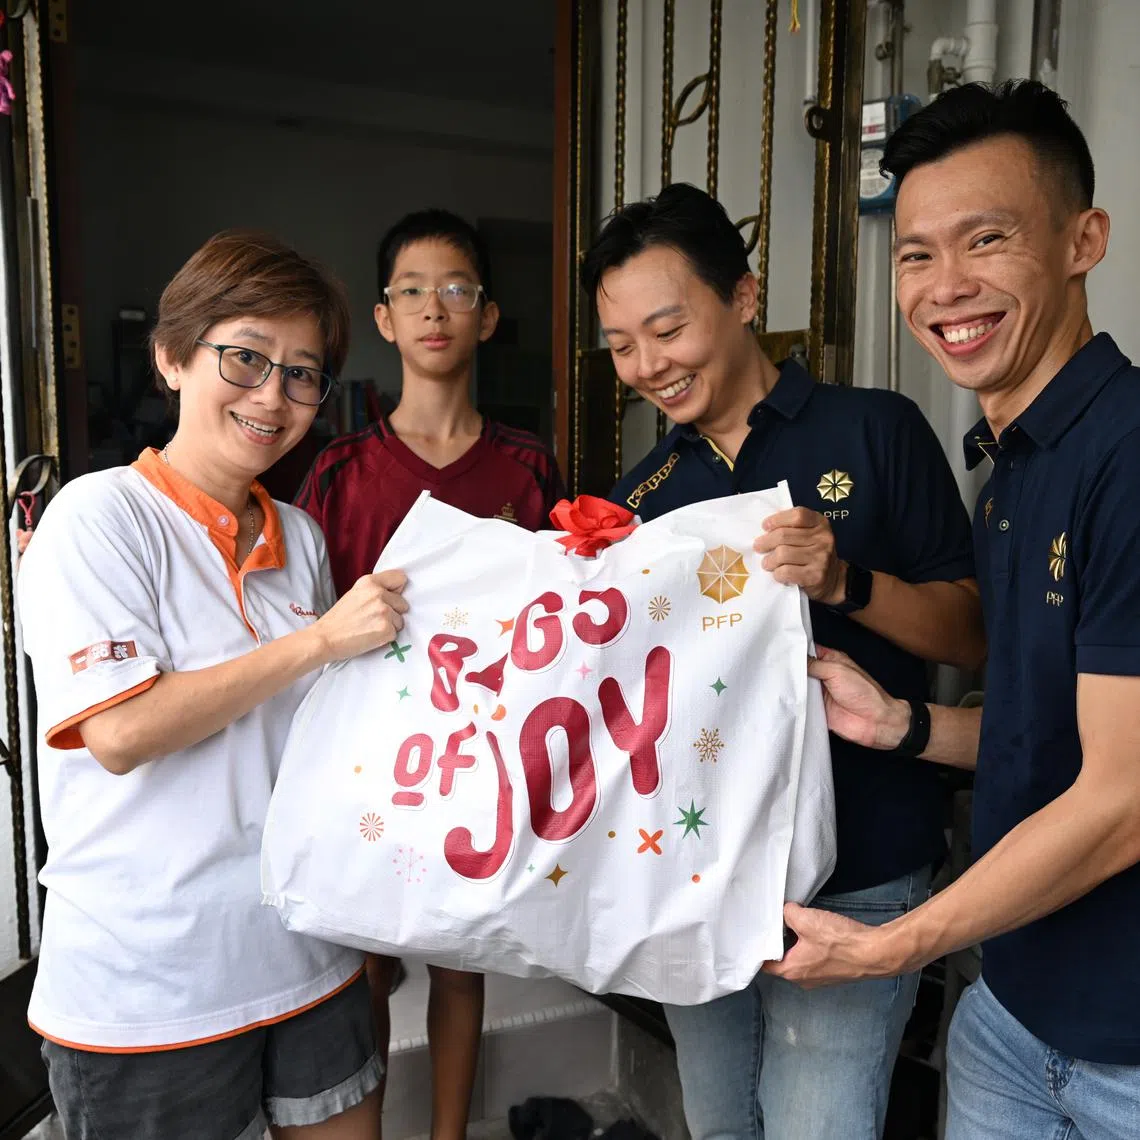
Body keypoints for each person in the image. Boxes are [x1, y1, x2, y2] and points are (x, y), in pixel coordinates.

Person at [768, 80, 1140, 1140]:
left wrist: (893, 945)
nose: (947, 287)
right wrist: (904, 724)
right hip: (1012, 1014)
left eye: (987, 240)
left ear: (1083, 241)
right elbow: (1048, 734)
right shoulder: (1011, 469)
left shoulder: (1126, 457)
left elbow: (1122, 798)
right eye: (916, 255)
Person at [581, 182, 986, 1140]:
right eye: (622, 346)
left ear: (744, 296)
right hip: (697, 867)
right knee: (720, 1124)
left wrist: (845, 582)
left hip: (862, 862)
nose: (648, 366)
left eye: (667, 329)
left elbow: (973, 635)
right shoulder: (641, 500)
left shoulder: (876, 430)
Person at [18, 230, 410, 1140]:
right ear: (172, 357)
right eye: (246, 358)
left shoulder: (299, 536)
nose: (273, 396)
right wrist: (318, 641)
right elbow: (121, 732)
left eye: (303, 374)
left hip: (307, 954)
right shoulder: (99, 518)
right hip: (150, 988)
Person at [296, 208, 566, 1140]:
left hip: (482, 754)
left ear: (486, 315)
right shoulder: (339, 471)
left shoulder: (528, 467)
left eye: (455, 289)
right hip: (373, 761)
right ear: (383, 318)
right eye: (411, 291)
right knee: (369, 962)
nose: (433, 309)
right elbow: (309, 623)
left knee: (462, 956)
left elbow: (561, 615)